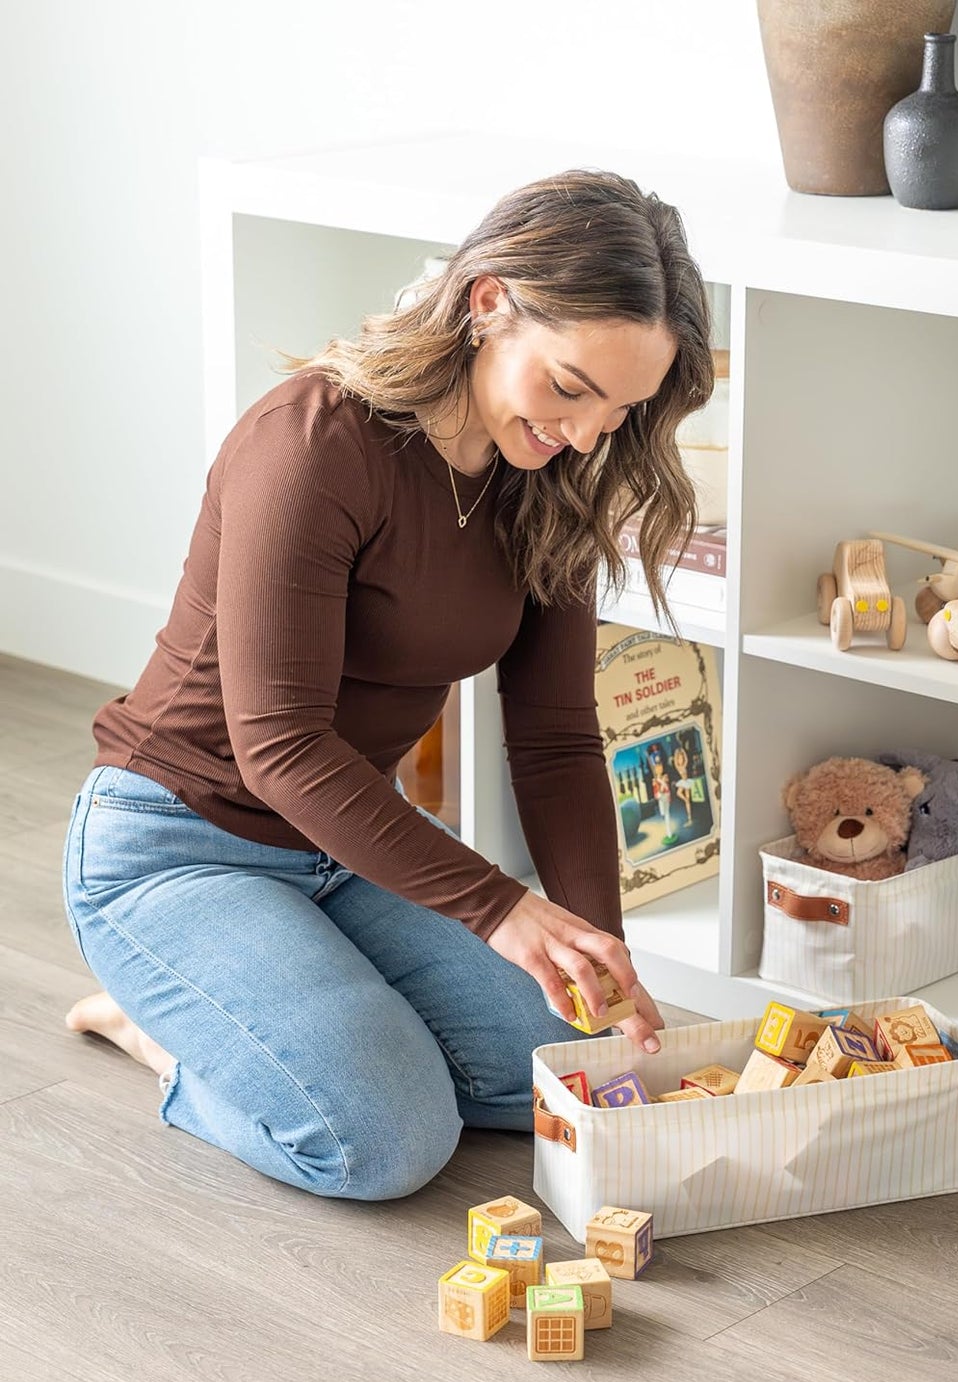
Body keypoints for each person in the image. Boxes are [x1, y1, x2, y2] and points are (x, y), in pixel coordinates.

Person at [61, 170, 713, 1201]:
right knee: (386, 1142)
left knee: (562, 1070)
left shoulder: (551, 481)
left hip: (352, 847)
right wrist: (499, 907)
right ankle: (164, 1036)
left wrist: (601, 960)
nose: (589, 435)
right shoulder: (312, 441)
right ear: (486, 301)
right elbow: (278, 743)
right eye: (572, 388)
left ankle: (299, 1017)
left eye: (621, 410)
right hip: (178, 844)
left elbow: (553, 738)